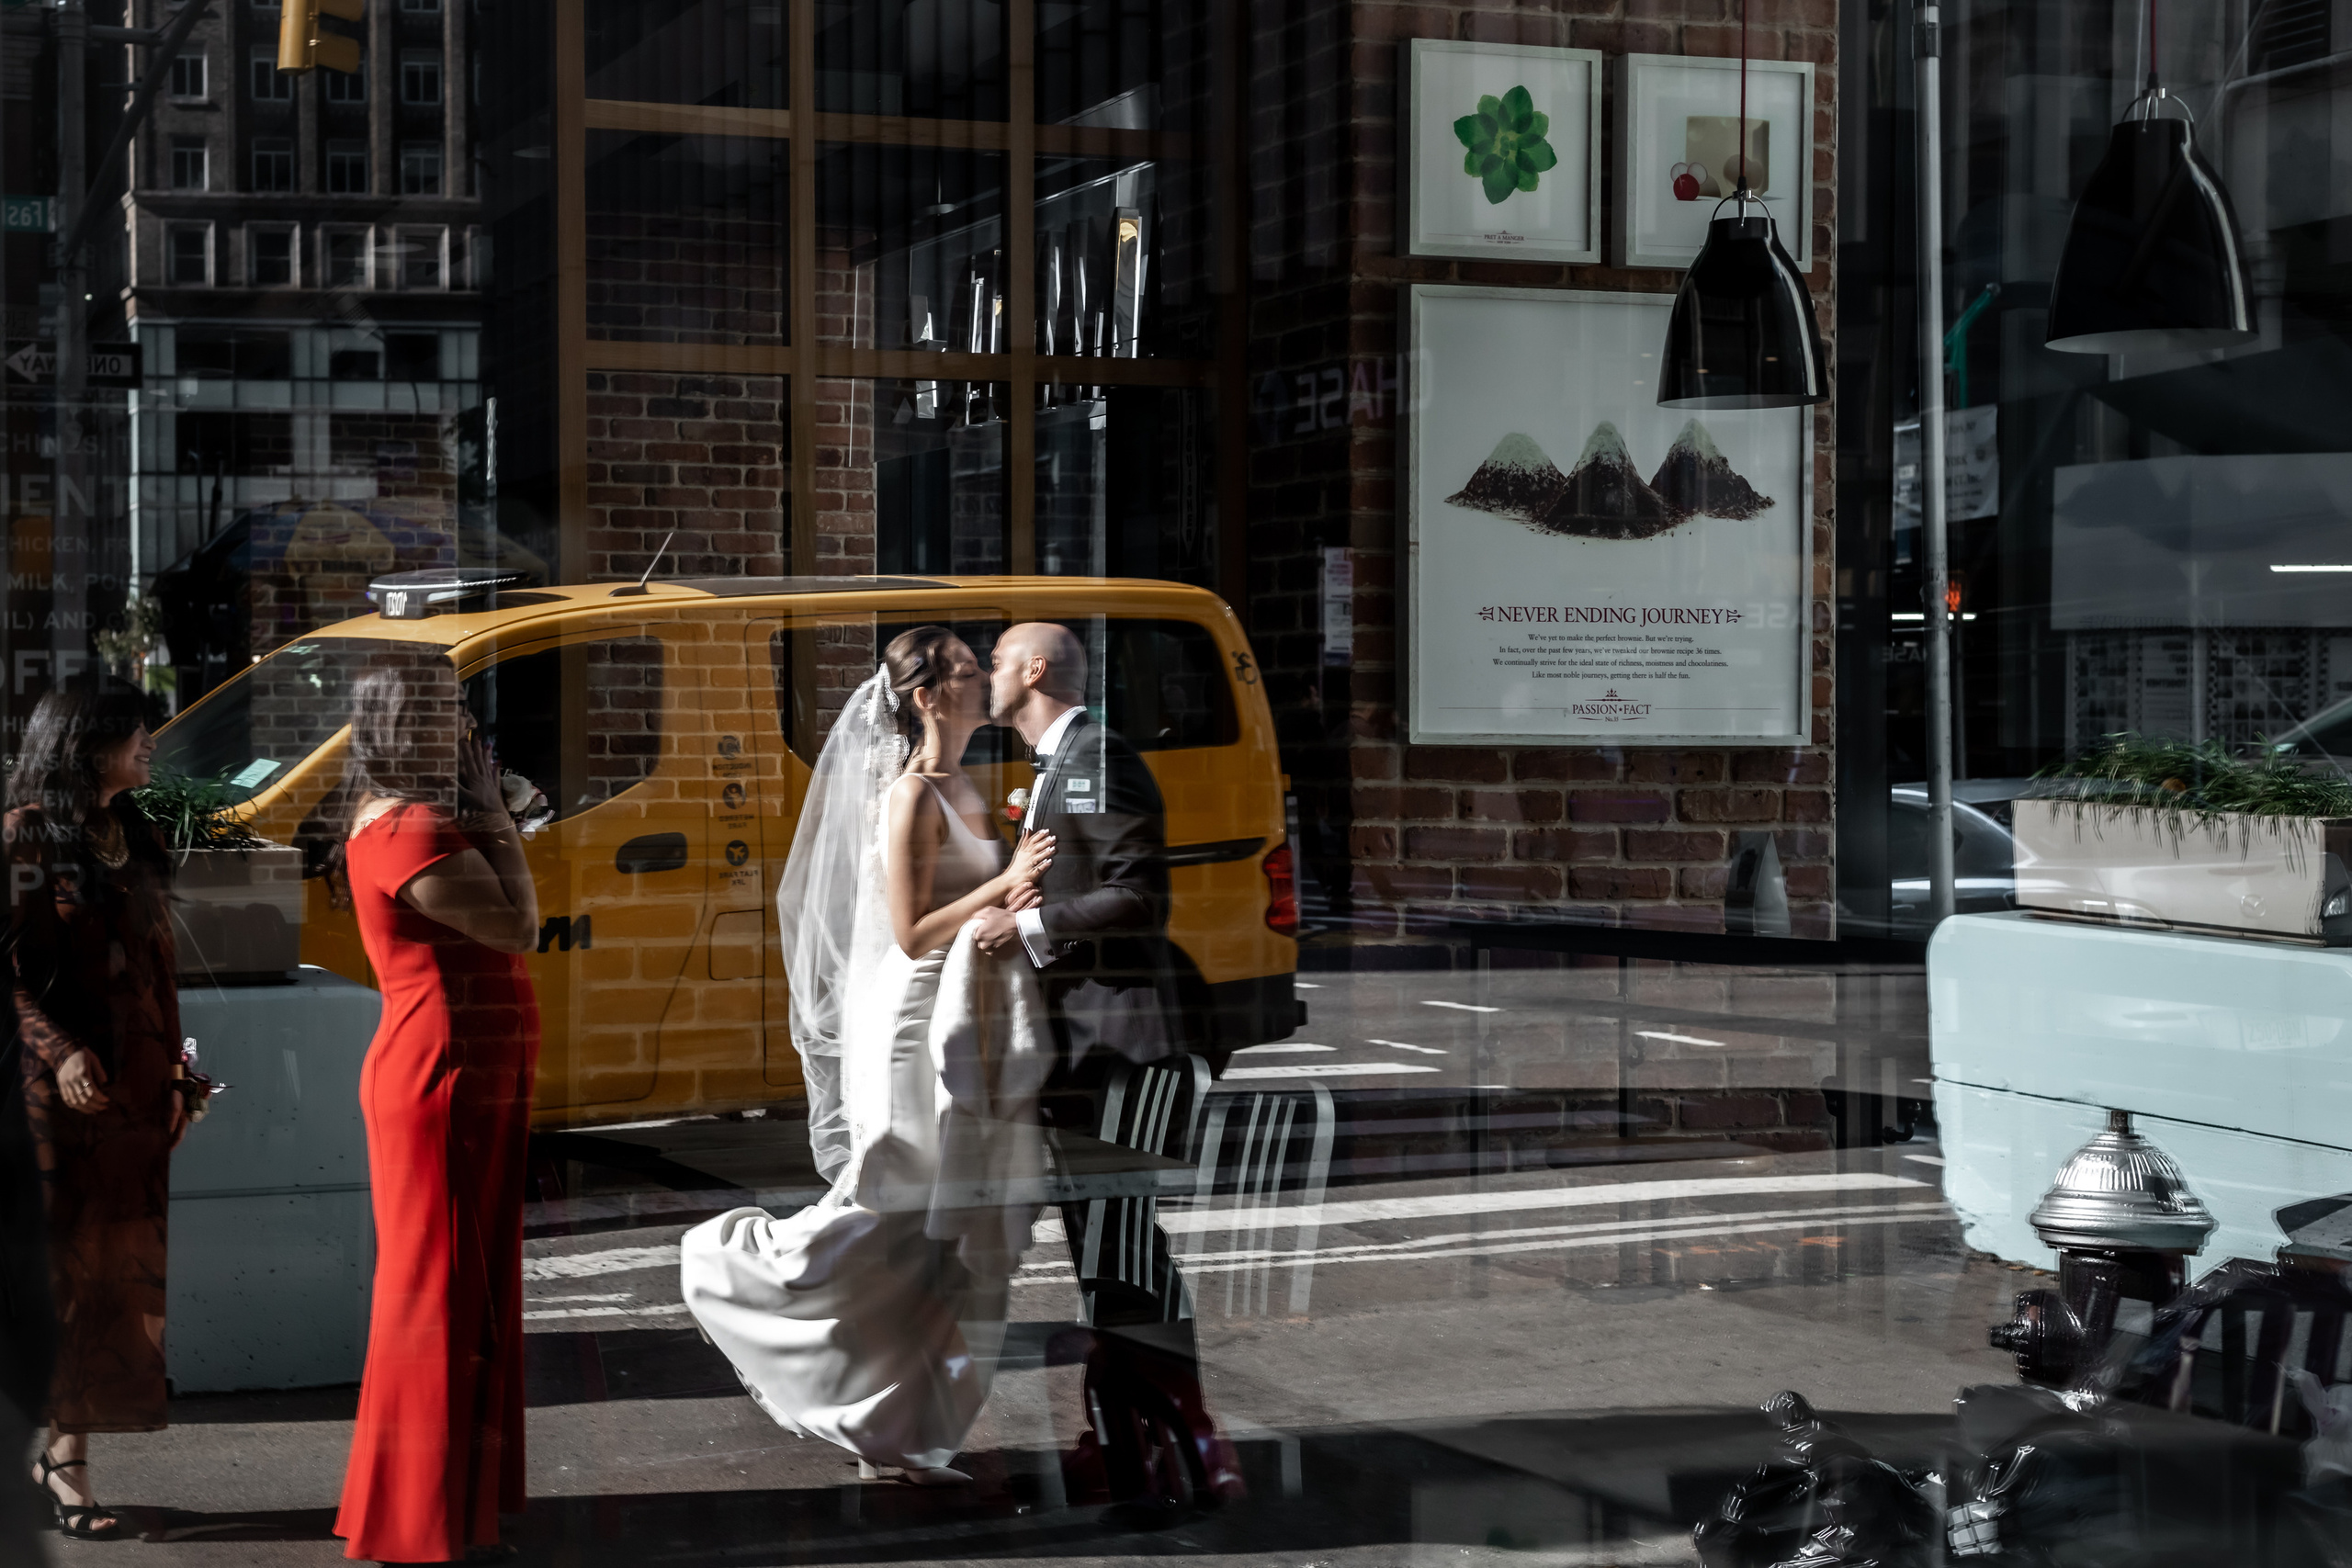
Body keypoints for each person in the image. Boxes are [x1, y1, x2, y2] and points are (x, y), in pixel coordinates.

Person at [684, 626, 1057, 1483]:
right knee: (894, 1207)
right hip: (911, 1022)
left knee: (939, 1233)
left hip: (960, 1015)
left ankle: (896, 1434)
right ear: (928, 695)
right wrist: (1007, 881)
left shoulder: (966, 783)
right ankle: (740, 1271)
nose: (982, 680)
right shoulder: (911, 795)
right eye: (967, 670)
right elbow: (911, 929)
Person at [971, 622, 1242, 1512]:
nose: (988, 676)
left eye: (999, 661)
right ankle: (1133, 1434)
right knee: (1104, 1252)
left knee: (1123, 1250)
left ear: (1036, 670)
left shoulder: (1095, 756)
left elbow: (1137, 891)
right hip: (1090, 1048)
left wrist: (1031, 926)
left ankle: (1183, 1437)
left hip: (1125, 1046)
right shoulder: (1064, 762)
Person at [332, 652, 541, 1565]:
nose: (462, 728)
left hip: (467, 1066)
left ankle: (452, 1503)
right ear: (400, 725)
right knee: (438, 1292)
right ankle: (415, 1517)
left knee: (467, 1288)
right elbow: (519, 924)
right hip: (440, 1073)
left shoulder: (421, 819)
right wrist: (497, 815)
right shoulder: (410, 829)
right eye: (442, 713)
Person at [6, 679, 189, 1542]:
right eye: (135, 729)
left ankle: (64, 1456)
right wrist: (61, 1048)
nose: (150, 740)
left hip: (136, 1093)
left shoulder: (140, 833)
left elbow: (159, 970)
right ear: (85, 743)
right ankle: (61, 1463)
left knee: (117, 1277)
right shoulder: (27, 835)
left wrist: (183, 1074)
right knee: (61, 1279)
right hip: (55, 1097)